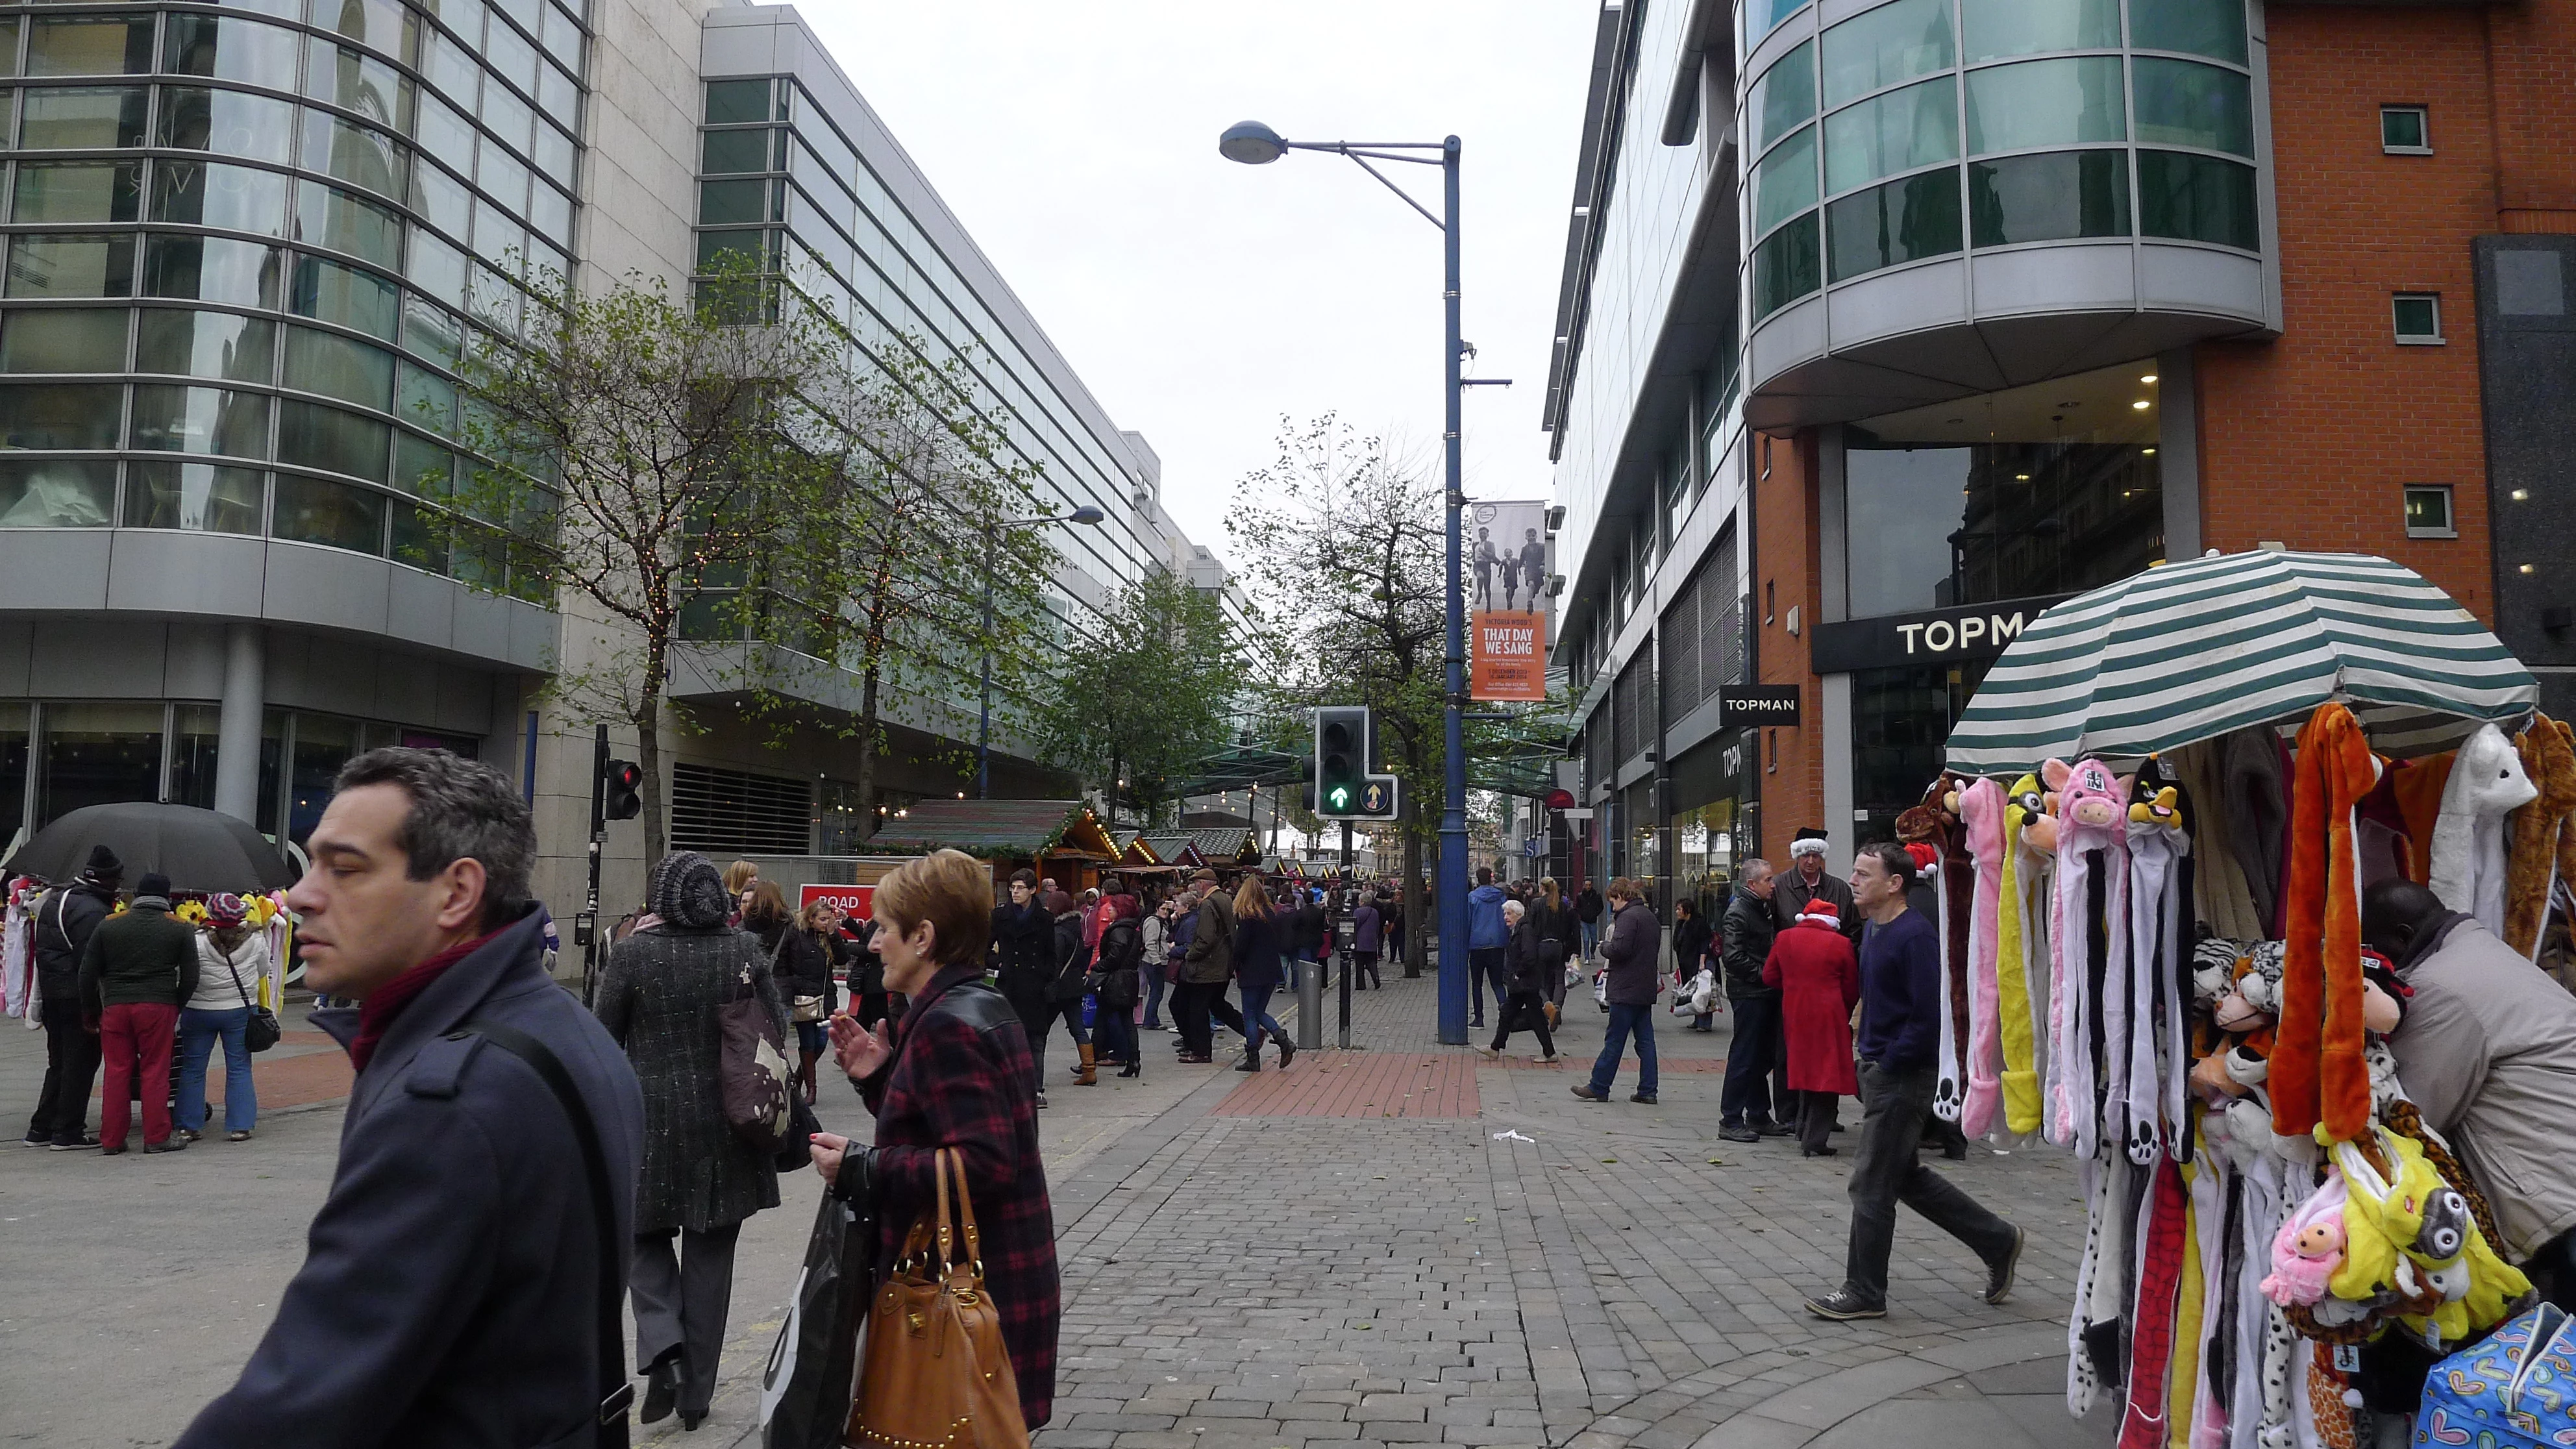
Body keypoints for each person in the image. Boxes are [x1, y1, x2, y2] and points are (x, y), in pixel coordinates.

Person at [176, 748, 644, 1446]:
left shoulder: (450, 1104)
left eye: (346, 868)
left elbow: (298, 1407)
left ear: (456, 893)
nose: (300, 895)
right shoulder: (562, 1024)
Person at [808, 848, 1060, 1433]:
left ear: (922, 937)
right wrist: (881, 1079)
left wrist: (862, 1168)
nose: (873, 943)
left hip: (964, 1295)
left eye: (884, 929)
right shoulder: (976, 1005)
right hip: (993, 1282)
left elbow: (986, 1163)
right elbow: (949, 1124)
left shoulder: (948, 1022)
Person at [592, 851, 786, 1429]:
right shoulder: (743, 951)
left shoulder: (631, 955)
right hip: (730, 1122)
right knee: (711, 1257)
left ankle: (662, 1345)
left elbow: (602, 1041)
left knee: (637, 1235)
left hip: (648, 1119)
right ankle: (696, 1396)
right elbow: (772, 1027)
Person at [1804, 843, 2021, 1322]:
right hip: (1880, 1070)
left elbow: (1928, 1017)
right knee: (1904, 1177)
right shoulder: (1877, 932)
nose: (1854, 880)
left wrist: (1887, 1063)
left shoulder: (1914, 936)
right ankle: (1998, 1239)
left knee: (1870, 1184)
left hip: (1904, 1077)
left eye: (1864, 874)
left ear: (1895, 883)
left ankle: (1864, 1290)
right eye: (1855, 871)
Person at [2361, 879, 2576, 1306]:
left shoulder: (2442, 987)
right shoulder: (2481, 953)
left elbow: (2411, 1114)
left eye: (2373, 946)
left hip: (2560, 1197)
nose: (2371, 958)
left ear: (2404, 936)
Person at [80, 870, 199, 1155]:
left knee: (116, 1072)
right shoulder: (180, 927)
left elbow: (87, 973)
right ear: (167, 898)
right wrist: (175, 1004)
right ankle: (157, 1137)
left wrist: (90, 1010)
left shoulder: (109, 925)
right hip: (159, 1005)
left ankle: (111, 1140)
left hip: (116, 1006)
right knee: (155, 1071)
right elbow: (192, 976)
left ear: (137, 896)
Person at [24, 845, 120, 1150]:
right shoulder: (93, 911)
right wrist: (93, 1009)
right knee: (81, 1063)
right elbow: (90, 965)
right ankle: (68, 1131)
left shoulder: (57, 900)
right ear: (106, 881)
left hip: (53, 992)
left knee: (59, 1062)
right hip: (76, 995)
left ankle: (41, 1128)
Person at [1763, 895, 1859, 1156]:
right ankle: (1815, 1139)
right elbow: (1851, 988)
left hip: (1794, 1012)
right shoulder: (1841, 944)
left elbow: (1769, 975)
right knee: (1828, 1076)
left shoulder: (1785, 938)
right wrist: (1845, 1011)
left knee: (1805, 1071)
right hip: (1829, 1014)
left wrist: (1794, 989)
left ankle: (1801, 1127)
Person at [176, 893, 273, 1144]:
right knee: (239, 1067)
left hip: (198, 1009)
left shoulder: (195, 941)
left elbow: (183, 972)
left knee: (193, 1068)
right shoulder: (256, 940)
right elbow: (263, 970)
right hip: (239, 1010)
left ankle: (189, 1126)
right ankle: (240, 1126)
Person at [1718, 860, 1794, 1144]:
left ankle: (1759, 1115)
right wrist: (1767, 976)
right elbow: (1733, 957)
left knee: (1761, 1056)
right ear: (1752, 885)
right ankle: (1731, 1118)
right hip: (1750, 994)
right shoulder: (1739, 912)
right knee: (1745, 1055)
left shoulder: (1759, 908)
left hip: (1763, 993)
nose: (1773, 884)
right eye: (1768, 879)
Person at [1572, 879, 1661, 1105]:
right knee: (1646, 1042)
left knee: (1615, 1040)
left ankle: (1599, 1086)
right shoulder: (1649, 916)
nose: (1612, 906)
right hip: (1645, 987)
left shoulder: (1629, 918)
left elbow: (1619, 950)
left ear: (1621, 897)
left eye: (1613, 901)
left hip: (1626, 988)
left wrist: (1603, 946)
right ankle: (1648, 1090)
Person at [991, 869, 1059, 1101]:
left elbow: (1051, 953)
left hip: (1034, 987)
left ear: (1032, 890)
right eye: (1012, 888)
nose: (1015, 892)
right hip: (1008, 985)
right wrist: (999, 964)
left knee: (1035, 1040)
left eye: (1020, 888)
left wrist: (1045, 975)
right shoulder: (1000, 916)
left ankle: (1036, 1089)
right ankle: (1009, 1089)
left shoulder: (1045, 919)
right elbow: (984, 947)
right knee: (1007, 1039)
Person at [1174, 871, 1245, 1064]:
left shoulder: (1207, 904)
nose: (1195, 887)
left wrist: (1190, 955)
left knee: (1197, 1010)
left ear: (1203, 884)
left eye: (1196, 883)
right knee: (1218, 1006)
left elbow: (1205, 938)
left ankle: (1201, 1052)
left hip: (1208, 967)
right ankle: (1253, 1031)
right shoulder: (1226, 899)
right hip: (1223, 963)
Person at [1476, 898, 1558, 1062]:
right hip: (1521, 984)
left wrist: (1518, 973)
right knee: (1508, 1014)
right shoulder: (1518, 929)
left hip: (1524, 982)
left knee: (1532, 1017)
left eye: (1509, 914)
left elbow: (1529, 955)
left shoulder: (1525, 930)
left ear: (1518, 915)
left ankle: (1549, 1053)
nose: (1506, 917)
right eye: (1505, 914)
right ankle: (1495, 1047)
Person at [1229, 882, 1293, 1072]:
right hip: (1271, 970)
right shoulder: (1270, 914)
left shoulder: (1247, 917)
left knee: (1249, 1015)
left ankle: (1253, 1058)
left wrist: (1233, 965)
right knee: (1259, 1012)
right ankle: (1284, 1042)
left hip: (1252, 971)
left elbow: (1241, 947)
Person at [1091, 896, 1145, 1080]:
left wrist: (1097, 966)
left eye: (1113, 908)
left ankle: (1088, 1062)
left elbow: (1115, 956)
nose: (1110, 910)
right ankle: (1133, 1060)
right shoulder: (1133, 929)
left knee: (1101, 1019)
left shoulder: (1119, 930)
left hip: (1116, 980)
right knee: (1127, 1021)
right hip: (1129, 978)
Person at [1776, 832, 1861, 944]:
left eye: (1815, 856)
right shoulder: (1779, 887)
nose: (1810, 861)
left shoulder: (1840, 889)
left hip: (1832, 958)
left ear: (1822, 858)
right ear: (1797, 856)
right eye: (1806, 855)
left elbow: (1854, 930)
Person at [1467, 867, 1510, 1028]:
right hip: (1498, 944)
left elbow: (1468, 921)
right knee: (1498, 983)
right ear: (1491, 878)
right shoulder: (1501, 897)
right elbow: (1507, 919)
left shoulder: (1472, 898)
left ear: (1478, 879)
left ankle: (1479, 1018)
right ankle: (1507, 1015)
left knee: (1477, 984)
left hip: (1477, 945)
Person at [1669, 898, 1714, 1031]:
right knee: (1692, 992)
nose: (1677, 912)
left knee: (1702, 992)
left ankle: (1705, 1022)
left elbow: (1704, 943)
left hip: (1696, 961)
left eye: (1679, 909)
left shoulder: (1699, 924)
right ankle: (1696, 1017)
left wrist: (1702, 962)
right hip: (1686, 962)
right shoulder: (1681, 924)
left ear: (1687, 910)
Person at [1139, 895, 1172, 1030]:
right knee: (1156, 992)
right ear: (1157, 909)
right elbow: (1150, 943)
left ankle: (1152, 1019)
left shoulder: (1161, 922)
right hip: (1153, 962)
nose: (1165, 912)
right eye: (1163, 909)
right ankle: (1150, 1020)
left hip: (1157, 960)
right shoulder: (1153, 922)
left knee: (1157, 992)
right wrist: (1157, 961)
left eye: (1167, 909)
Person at [1350, 891, 1383, 991]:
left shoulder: (1358, 912)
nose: (1359, 903)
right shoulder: (1375, 912)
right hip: (1372, 941)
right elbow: (1377, 926)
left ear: (1363, 902)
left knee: (1359, 965)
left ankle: (1360, 985)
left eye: (1360, 901)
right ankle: (1376, 978)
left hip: (1360, 942)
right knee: (1371, 963)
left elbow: (1355, 926)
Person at [1574, 882, 1604, 961]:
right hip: (1584, 921)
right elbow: (1577, 907)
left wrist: (1595, 914)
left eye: (1589, 885)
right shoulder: (1580, 896)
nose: (1588, 887)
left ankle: (1592, 952)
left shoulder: (1596, 896)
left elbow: (1601, 907)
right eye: (1586, 885)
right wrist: (1582, 913)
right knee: (1586, 939)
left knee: (1594, 940)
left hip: (1593, 921)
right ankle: (1587, 957)